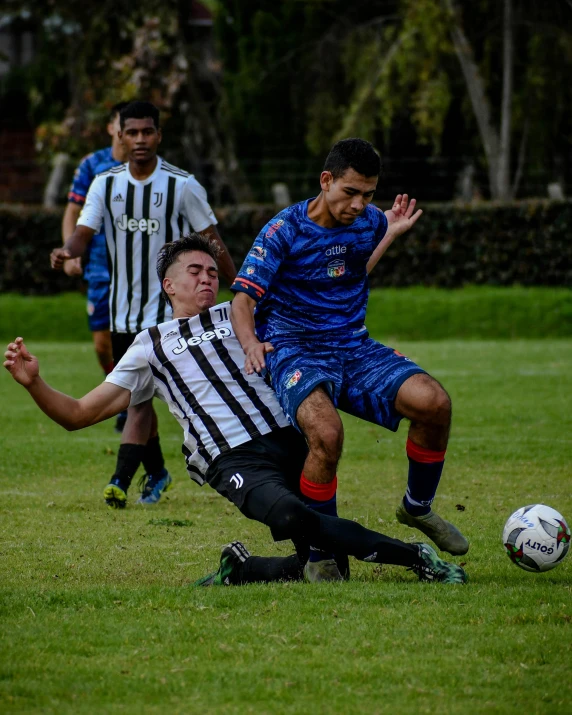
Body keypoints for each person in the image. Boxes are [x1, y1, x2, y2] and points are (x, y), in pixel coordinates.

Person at [5, 234, 467, 586]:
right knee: (289, 516)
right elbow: (78, 414)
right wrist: (34, 383)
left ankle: (241, 569)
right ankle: (416, 559)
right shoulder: (149, 345)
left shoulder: (243, 313)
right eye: (194, 271)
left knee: (327, 570)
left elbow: (333, 283)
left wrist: (387, 234)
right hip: (233, 458)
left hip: (291, 440)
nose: (206, 277)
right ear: (169, 284)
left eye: (211, 270)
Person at [230, 138, 469, 577]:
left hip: (353, 347)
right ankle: (320, 555)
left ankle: (417, 508)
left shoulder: (370, 222)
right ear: (326, 181)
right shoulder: (284, 230)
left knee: (435, 403)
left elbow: (352, 272)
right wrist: (250, 343)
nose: (360, 205)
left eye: (369, 195)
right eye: (350, 192)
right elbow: (242, 300)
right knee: (327, 433)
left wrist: (391, 233)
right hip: (293, 347)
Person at [50, 101, 237, 509]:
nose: (139, 140)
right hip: (123, 312)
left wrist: (240, 288)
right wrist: (67, 250)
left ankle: (122, 478)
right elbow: (84, 232)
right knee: (137, 398)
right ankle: (156, 474)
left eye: (146, 132)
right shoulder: (105, 184)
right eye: (131, 132)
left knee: (139, 400)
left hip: (166, 315)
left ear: (158, 135)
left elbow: (212, 241)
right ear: (118, 134)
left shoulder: (182, 185)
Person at [62, 101, 130, 432]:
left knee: (136, 339)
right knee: (103, 342)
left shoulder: (149, 167)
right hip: (102, 266)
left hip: (139, 270)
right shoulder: (93, 165)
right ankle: (116, 391)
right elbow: (72, 212)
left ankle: (132, 403)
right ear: (111, 127)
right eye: (123, 123)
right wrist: (72, 253)